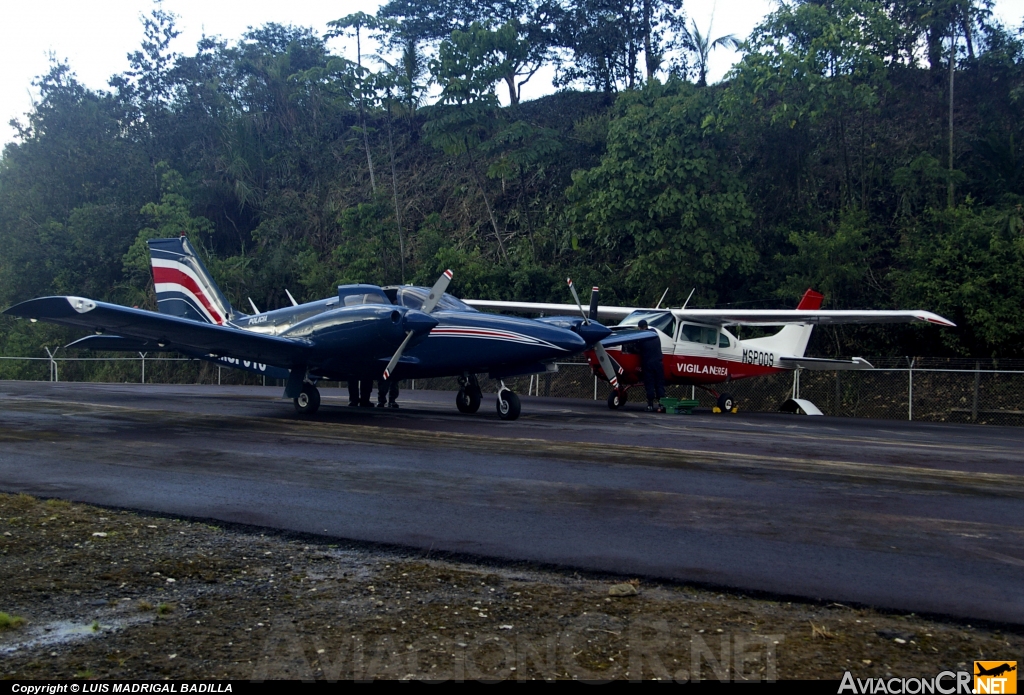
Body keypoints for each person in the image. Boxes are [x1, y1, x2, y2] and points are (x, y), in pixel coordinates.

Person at [637, 319, 666, 413]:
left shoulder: (642, 338)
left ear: (640, 328)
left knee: (649, 384)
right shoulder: (654, 333)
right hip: (658, 362)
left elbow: (637, 349)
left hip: (648, 363)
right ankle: (661, 405)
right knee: (659, 384)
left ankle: (650, 405)